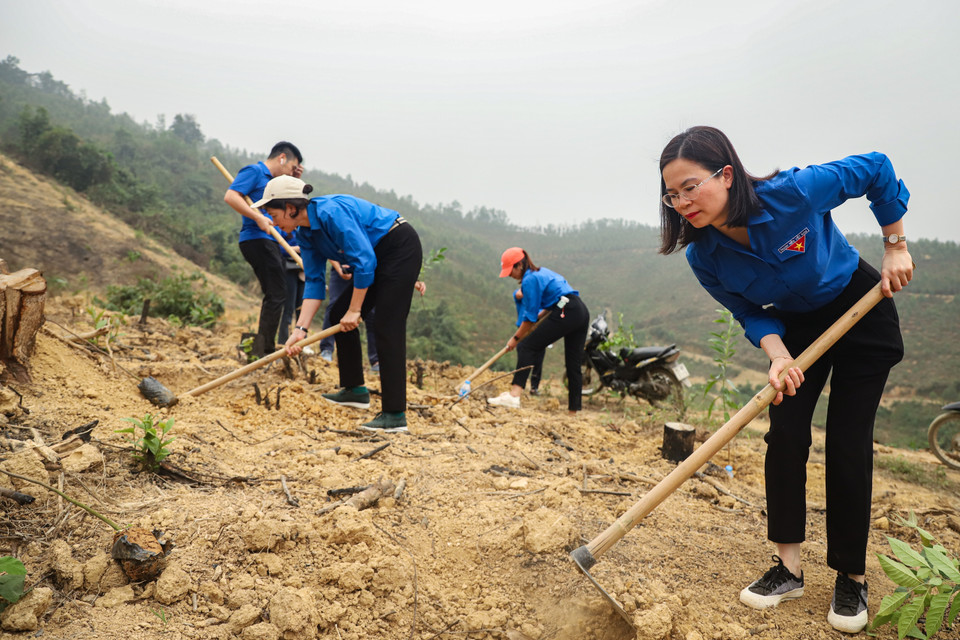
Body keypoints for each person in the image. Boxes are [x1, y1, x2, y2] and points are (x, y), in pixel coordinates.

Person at [657, 126, 912, 634]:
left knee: (847, 441)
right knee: (786, 431)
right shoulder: (703, 256)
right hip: (797, 329)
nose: (682, 201)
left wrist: (895, 245)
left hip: (860, 307)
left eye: (691, 186)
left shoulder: (794, 192)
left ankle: (851, 576)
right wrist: (777, 357)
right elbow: (749, 311)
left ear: (726, 175)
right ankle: (788, 568)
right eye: (671, 194)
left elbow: (877, 167)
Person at [250, 175, 423, 434]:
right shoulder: (306, 234)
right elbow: (314, 283)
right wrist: (300, 330)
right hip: (375, 256)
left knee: (388, 324)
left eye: (272, 212)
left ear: (290, 208)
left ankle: (394, 414)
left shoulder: (332, 213)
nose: (271, 220)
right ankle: (355, 389)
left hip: (398, 245)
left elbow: (364, 262)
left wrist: (356, 311)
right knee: (339, 313)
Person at [224, 141, 303, 358]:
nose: (289, 172)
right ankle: (263, 349)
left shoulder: (273, 183)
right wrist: (258, 217)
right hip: (256, 239)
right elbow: (231, 196)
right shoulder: (255, 171)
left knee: (277, 292)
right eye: (290, 167)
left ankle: (262, 346)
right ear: (281, 158)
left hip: (270, 241)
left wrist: (294, 180)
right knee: (277, 292)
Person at [487, 248, 589, 414]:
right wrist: (535, 321)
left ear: (519, 265)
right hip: (579, 309)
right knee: (573, 363)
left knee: (526, 346)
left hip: (566, 310)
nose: (510, 275)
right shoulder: (541, 272)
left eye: (510, 270)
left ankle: (514, 396)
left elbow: (529, 318)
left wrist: (515, 338)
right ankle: (573, 412)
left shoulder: (529, 280)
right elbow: (552, 303)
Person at [319, 260, 379, 370]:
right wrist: (339, 268)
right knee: (334, 307)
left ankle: (375, 360)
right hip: (341, 272)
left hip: (365, 272)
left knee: (371, 314)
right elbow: (329, 250)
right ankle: (326, 349)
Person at [277, 229, 305, 348]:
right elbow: (279, 248)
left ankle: (303, 341)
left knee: (302, 308)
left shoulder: (304, 229)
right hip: (289, 269)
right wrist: (296, 249)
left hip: (304, 269)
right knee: (288, 307)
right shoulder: (284, 229)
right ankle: (283, 341)